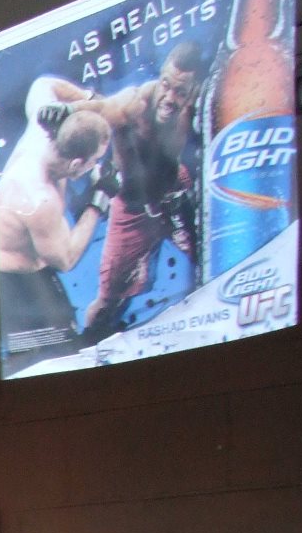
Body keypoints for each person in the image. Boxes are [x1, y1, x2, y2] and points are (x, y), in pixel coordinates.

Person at [40, 43, 208, 340]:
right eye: (166, 85)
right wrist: (68, 112)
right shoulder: (137, 103)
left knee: (208, 260)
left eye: (180, 92)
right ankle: (91, 349)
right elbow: (104, 109)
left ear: (192, 90)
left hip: (174, 191)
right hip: (132, 209)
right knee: (108, 300)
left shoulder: (200, 104)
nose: (169, 98)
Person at [0, 77, 114, 361]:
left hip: (38, 274)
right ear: (77, 163)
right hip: (15, 285)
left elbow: (42, 83)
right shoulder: (39, 198)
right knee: (52, 361)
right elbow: (66, 259)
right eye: (95, 161)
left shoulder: (44, 124)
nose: (95, 166)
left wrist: (83, 100)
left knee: (70, 344)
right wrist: (99, 201)